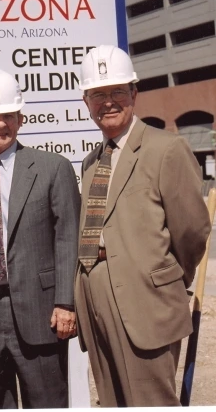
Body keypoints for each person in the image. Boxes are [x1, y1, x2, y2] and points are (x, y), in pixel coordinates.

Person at [75, 45, 211, 407]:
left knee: (151, 403)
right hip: (98, 304)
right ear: (85, 101)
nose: (108, 102)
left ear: (134, 93)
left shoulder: (165, 149)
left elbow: (192, 231)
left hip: (146, 305)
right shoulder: (91, 162)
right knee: (113, 401)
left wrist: (163, 279)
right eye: (98, 94)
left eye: (118, 91)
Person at [0, 69, 81, 409]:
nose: (0, 124)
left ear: (21, 118)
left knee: (48, 403)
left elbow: (69, 237)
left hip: (40, 312)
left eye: (8, 114)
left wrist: (66, 302)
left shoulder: (52, 167)